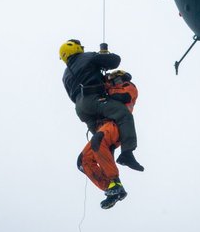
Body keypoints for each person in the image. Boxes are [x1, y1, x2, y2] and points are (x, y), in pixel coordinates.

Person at [60, 39, 144, 172]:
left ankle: (110, 176)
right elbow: (115, 60)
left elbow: (71, 96)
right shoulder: (87, 57)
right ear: (74, 48)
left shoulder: (65, 75)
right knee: (123, 114)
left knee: (103, 139)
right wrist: (102, 56)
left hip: (81, 109)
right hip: (93, 98)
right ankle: (127, 152)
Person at [77, 70, 138, 209]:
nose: (112, 82)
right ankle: (111, 188)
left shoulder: (129, 86)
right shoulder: (106, 92)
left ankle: (114, 180)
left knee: (98, 140)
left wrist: (104, 90)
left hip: (116, 125)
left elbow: (124, 96)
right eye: (111, 80)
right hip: (102, 127)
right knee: (83, 160)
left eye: (116, 79)